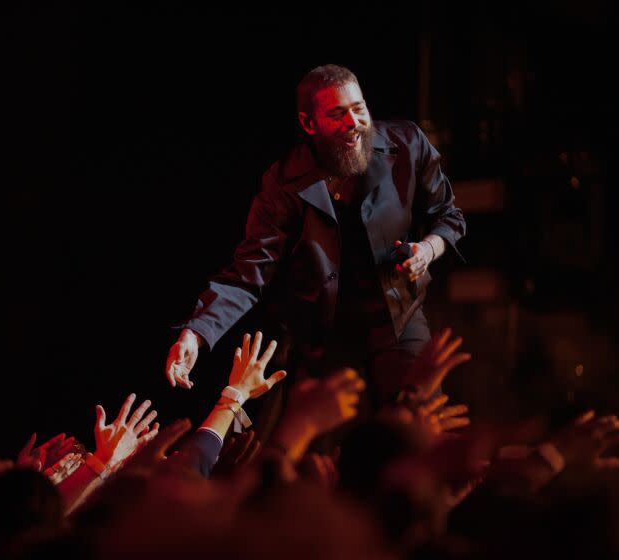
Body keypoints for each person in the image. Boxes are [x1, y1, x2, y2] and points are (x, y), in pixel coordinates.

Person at [165, 64, 466, 417]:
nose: (353, 122)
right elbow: (248, 274)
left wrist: (428, 249)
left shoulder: (408, 143)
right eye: (337, 114)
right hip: (325, 337)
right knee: (324, 450)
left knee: (418, 426)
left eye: (359, 108)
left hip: (398, 319)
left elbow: (449, 217)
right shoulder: (283, 183)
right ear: (310, 124)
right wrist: (196, 333)